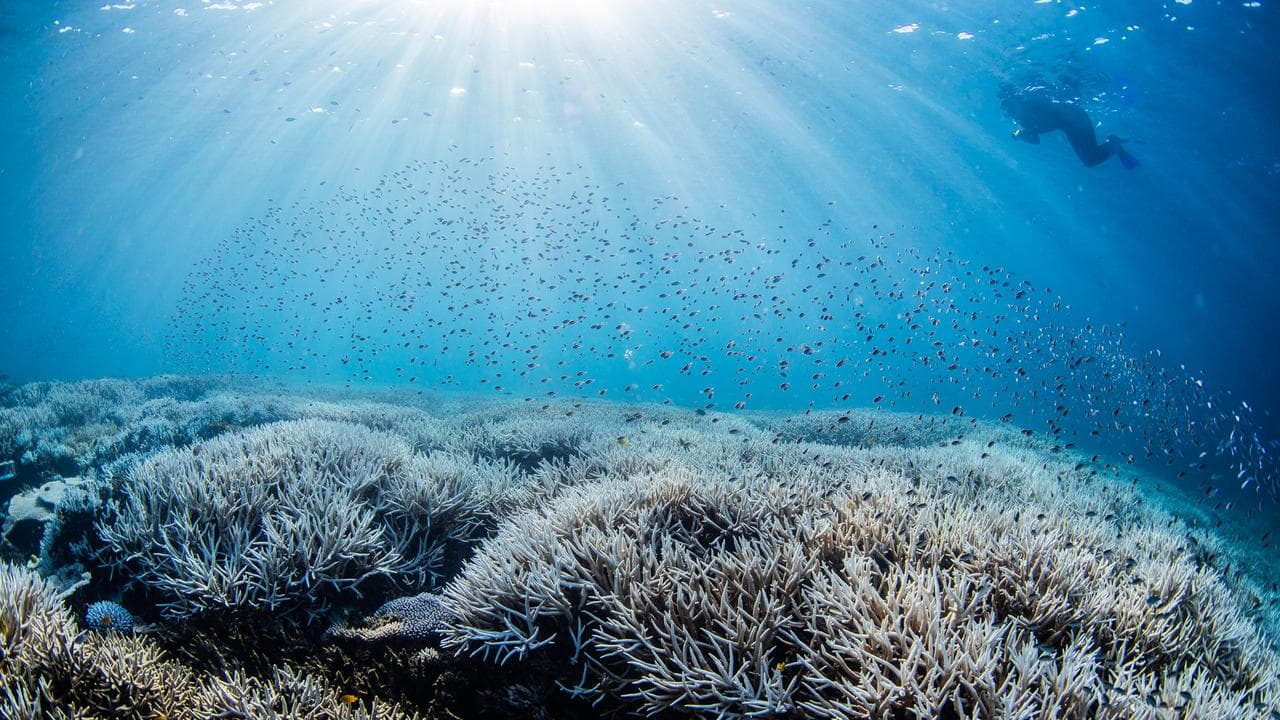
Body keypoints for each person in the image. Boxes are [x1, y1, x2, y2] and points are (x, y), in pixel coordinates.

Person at [999, 84, 1139, 169]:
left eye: (1010, 108)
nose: (1010, 113)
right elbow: (1035, 139)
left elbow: (1038, 131)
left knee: (1090, 160)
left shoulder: (1031, 104)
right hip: (1071, 122)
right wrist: (1021, 135)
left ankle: (1113, 144)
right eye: (1007, 111)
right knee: (1090, 160)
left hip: (1075, 120)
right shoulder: (1024, 116)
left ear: (1016, 100)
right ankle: (1113, 143)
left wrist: (1023, 133)